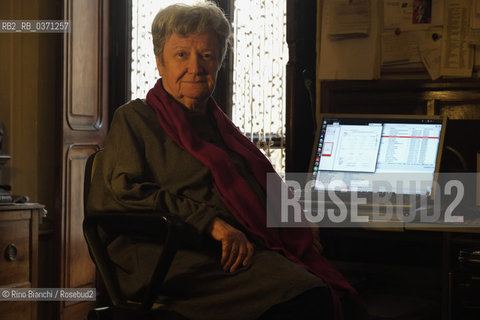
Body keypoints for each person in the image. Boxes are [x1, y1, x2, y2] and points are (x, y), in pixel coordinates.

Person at [87, 2, 365, 319]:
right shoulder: (135, 118)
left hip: (232, 246)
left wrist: (293, 216)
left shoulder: (216, 123)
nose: (196, 67)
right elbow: (127, 192)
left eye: (207, 55)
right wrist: (211, 223)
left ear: (219, 62)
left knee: (340, 292)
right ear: (159, 62)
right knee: (307, 297)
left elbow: (252, 180)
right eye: (182, 55)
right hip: (167, 253)